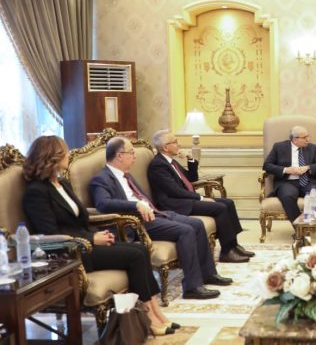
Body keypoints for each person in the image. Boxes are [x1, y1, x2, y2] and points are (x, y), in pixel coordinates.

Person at [21, 136, 177, 336]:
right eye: (65, 152)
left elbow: (81, 219)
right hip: (71, 253)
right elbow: (51, 233)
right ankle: (148, 317)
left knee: (141, 249)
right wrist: (91, 239)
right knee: (136, 255)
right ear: (52, 157)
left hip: (87, 242)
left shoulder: (62, 183)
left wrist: (96, 234)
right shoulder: (36, 192)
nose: (68, 155)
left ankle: (156, 313)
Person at [90, 137, 232, 300]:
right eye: (131, 152)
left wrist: (148, 206)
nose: (134, 156)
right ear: (119, 156)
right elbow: (103, 204)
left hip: (155, 213)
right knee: (186, 231)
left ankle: (208, 274)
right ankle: (192, 287)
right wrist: (136, 205)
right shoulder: (101, 179)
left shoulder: (126, 176)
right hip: (136, 222)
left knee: (197, 224)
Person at [147, 130, 253, 264]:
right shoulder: (158, 165)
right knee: (220, 208)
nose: (179, 144)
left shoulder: (171, 162)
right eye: (175, 142)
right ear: (165, 147)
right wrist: (200, 198)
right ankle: (227, 252)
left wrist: (190, 158)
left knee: (228, 202)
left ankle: (233, 245)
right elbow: (175, 191)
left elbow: (191, 178)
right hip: (175, 204)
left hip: (184, 199)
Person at [262, 125, 316, 224]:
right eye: (304, 137)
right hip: (287, 182)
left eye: (308, 136)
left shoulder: (311, 147)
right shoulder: (279, 147)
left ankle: (308, 224)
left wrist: (307, 167)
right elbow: (267, 165)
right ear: (295, 139)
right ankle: (299, 228)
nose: (308, 139)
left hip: (308, 181)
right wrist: (286, 170)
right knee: (288, 196)